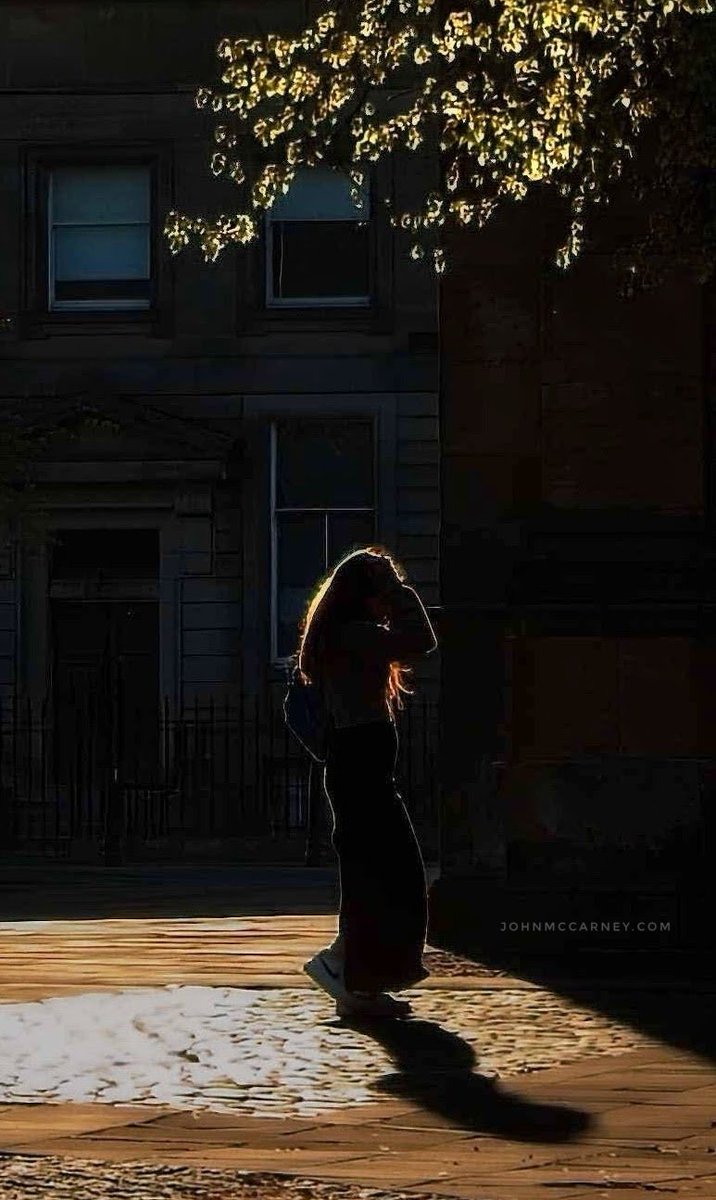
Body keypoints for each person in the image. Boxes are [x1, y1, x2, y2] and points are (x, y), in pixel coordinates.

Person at [297, 545, 438, 1019]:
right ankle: (351, 975)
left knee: (380, 874)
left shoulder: (346, 634)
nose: (388, 601)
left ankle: (355, 972)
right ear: (367, 594)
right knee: (386, 874)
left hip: (359, 764)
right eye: (382, 590)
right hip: (361, 764)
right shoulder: (354, 635)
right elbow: (423, 640)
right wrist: (400, 591)